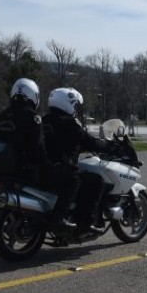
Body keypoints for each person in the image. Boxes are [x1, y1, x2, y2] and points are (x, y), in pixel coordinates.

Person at [0, 78, 65, 227]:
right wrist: (49, 164)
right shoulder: (32, 117)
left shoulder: (0, 117)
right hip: (25, 168)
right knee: (68, 179)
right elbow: (38, 148)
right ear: (33, 96)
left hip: (5, 170)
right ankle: (58, 219)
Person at [42, 87, 117, 229]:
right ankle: (83, 222)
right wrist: (108, 146)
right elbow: (89, 141)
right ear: (67, 103)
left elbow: (64, 143)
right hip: (60, 169)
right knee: (95, 181)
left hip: (44, 168)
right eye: (75, 104)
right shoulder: (70, 124)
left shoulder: (45, 121)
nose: (76, 108)